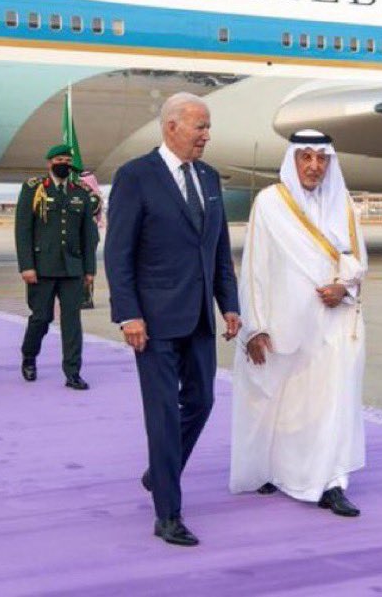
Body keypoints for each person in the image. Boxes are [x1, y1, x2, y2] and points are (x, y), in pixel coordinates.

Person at [104, 92, 240, 547]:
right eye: (200, 127)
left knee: (202, 402)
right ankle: (168, 514)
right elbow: (118, 253)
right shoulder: (136, 176)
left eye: (208, 127)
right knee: (163, 415)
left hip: (199, 316)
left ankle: (160, 471)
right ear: (172, 127)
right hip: (153, 321)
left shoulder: (209, 177)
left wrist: (230, 304)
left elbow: (217, 250)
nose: (207, 135)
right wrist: (128, 314)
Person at [230, 130, 368, 519]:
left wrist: (343, 288)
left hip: (335, 322)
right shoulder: (270, 203)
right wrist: (254, 327)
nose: (314, 166)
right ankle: (277, 471)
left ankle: (331, 483)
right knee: (283, 406)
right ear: (292, 160)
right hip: (284, 324)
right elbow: (254, 267)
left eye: (321, 158)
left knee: (333, 403)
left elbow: (357, 261)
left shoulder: (343, 204)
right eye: (305, 157)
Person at [14, 144, 99, 390]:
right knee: (41, 318)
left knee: (72, 322)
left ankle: (73, 372)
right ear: (49, 163)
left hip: (72, 268)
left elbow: (88, 234)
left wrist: (89, 269)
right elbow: (23, 230)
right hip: (42, 268)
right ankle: (29, 355)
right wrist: (26, 266)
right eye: (59, 159)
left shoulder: (80, 192)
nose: (64, 164)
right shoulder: (34, 189)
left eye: (67, 160)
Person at [76, 170, 104, 310]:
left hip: (89, 235)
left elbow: (83, 212)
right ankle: (80, 296)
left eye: (84, 182)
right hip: (80, 234)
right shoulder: (83, 196)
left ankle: (87, 299)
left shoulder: (94, 197)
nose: (81, 184)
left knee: (87, 267)